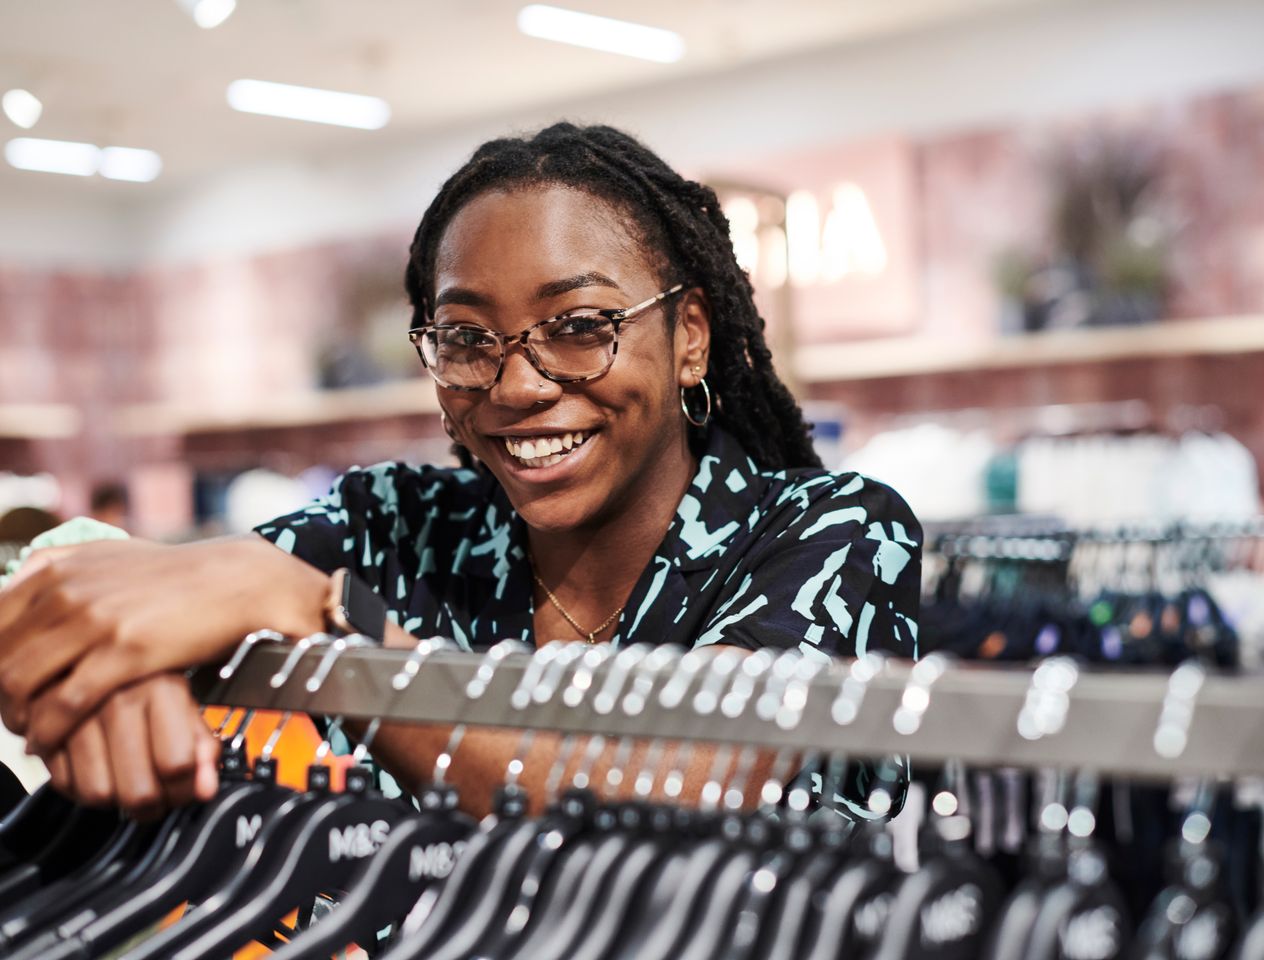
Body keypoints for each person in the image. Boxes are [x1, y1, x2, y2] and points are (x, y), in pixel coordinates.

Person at [0, 122, 920, 823]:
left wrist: (315, 616)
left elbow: (678, 789)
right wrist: (129, 669)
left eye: (579, 325)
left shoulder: (834, 532)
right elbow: (90, 589)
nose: (517, 385)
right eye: (468, 339)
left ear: (688, 337)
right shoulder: (395, 524)